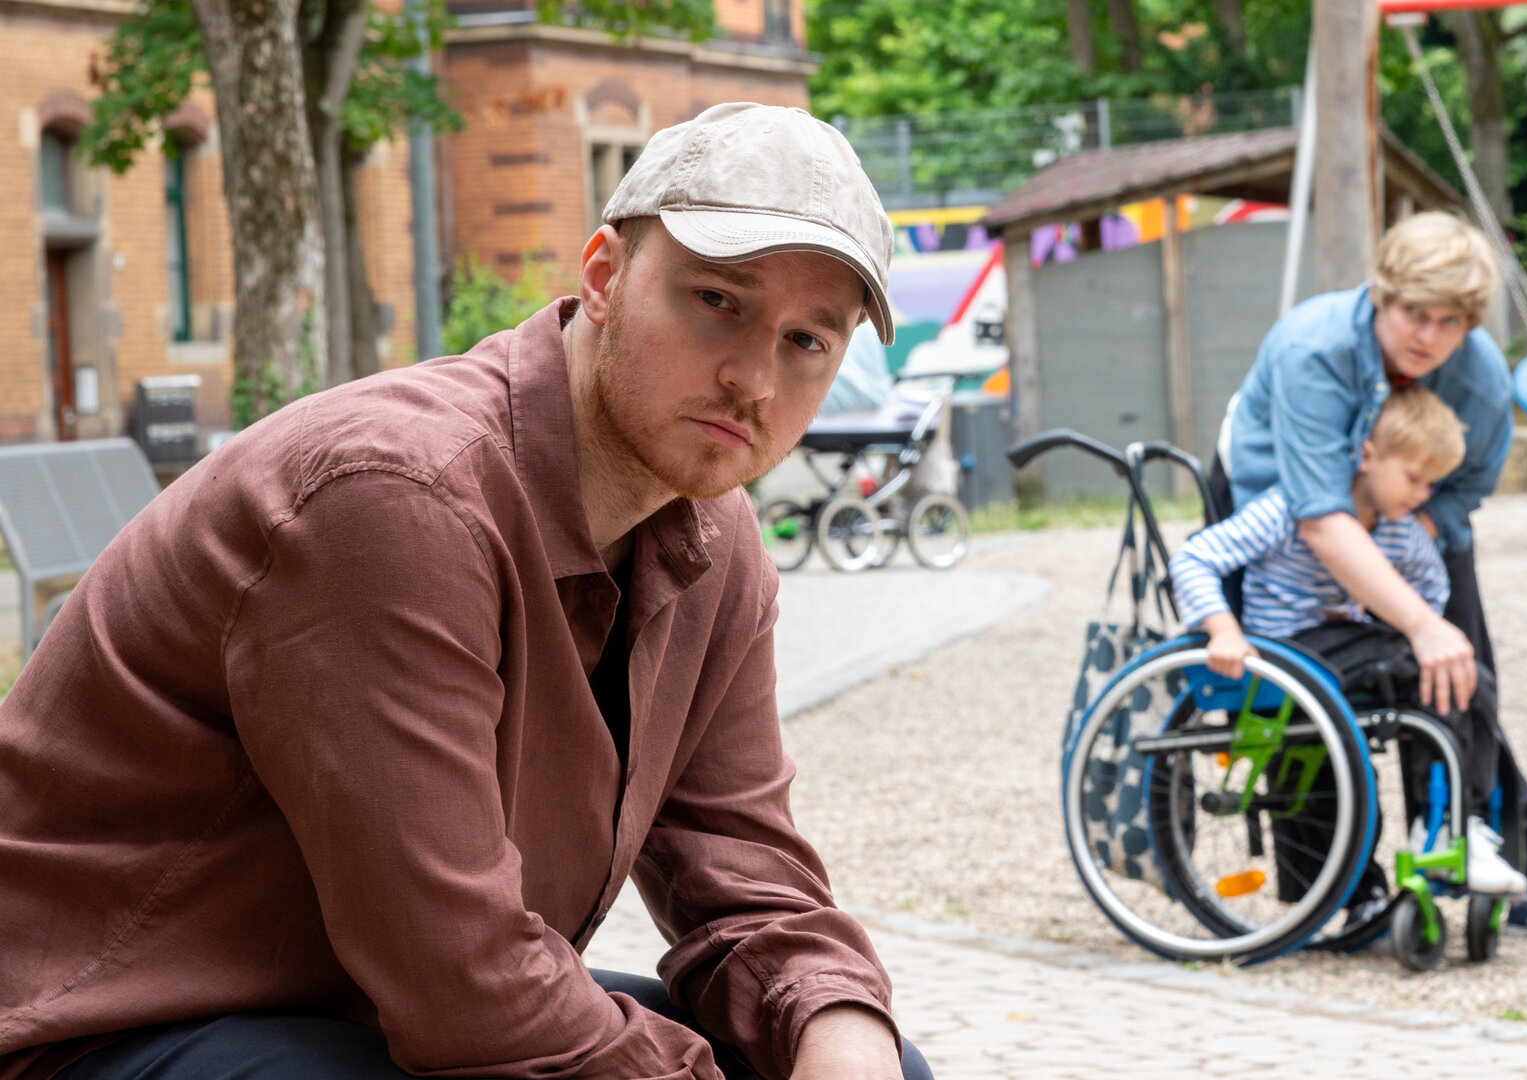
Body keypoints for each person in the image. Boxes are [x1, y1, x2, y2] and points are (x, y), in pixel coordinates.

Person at [0, 103, 931, 1080]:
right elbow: (465, 988)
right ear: (604, 276)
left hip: (367, 1009)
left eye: (806, 343)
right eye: (717, 301)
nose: (752, 377)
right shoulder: (394, 501)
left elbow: (747, 881)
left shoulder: (712, 542)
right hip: (107, 1027)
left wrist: (843, 1030)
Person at [1213, 212, 1527, 941]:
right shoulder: (1314, 350)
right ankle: (1334, 895)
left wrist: (1412, 559)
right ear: (1380, 295)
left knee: (1460, 672)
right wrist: (1414, 619)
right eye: (1412, 314)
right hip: (1284, 509)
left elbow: (1469, 483)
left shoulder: (1479, 376)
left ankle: (1500, 863)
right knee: (1305, 692)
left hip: (1411, 510)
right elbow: (1319, 517)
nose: (1427, 336)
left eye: (1449, 322)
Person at [1174, 387, 1527, 908]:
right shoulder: (1289, 508)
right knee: (1426, 673)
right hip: (1288, 648)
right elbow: (1193, 560)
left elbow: (1431, 591)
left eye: (1432, 483)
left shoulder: (1401, 532)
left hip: (1352, 651)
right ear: (1368, 456)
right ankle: (1426, 846)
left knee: (1463, 678)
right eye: (1413, 478)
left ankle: (1452, 824)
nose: (1423, 494)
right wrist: (1223, 629)